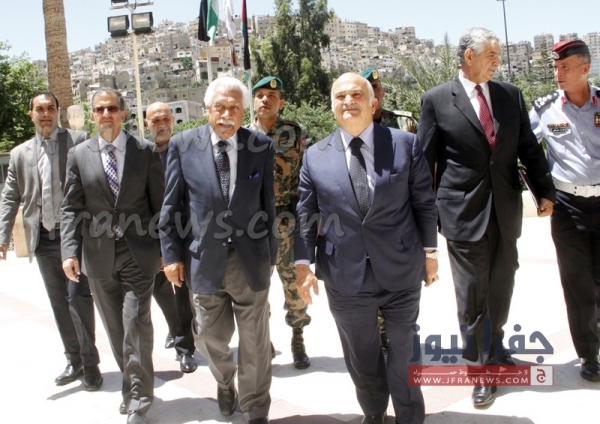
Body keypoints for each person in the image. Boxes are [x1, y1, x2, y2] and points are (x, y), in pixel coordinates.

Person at [417, 28, 556, 407]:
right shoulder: (436, 100)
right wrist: (422, 217)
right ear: (469, 56)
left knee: (501, 284)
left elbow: (529, 146)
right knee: (473, 293)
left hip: (505, 210)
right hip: (462, 213)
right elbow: (424, 162)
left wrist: (545, 191)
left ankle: (495, 344)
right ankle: (481, 370)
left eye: (498, 54)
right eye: (491, 54)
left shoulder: (510, 95)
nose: (497, 60)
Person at [295, 72, 439, 424]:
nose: (348, 101)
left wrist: (430, 254)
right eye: (340, 96)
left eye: (356, 95)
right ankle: (374, 413)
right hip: (344, 274)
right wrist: (303, 265)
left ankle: (410, 416)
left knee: (404, 350)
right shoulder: (314, 156)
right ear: (332, 106)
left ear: (373, 103)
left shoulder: (405, 144)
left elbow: (424, 203)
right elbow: (306, 215)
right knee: (361, 354)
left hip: (400, 268)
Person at [160, 77, 277, 424]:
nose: (227, 115)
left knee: (255, 342)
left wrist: (270, 254)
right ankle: (225, 381)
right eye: (220, 107)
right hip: (203, 260)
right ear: (207, 109)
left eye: (234, 108)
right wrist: (171, 257)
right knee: (209, 337)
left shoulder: (260, 146)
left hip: (249, 260)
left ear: (243, 111)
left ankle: (256, 408)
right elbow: (171, 207)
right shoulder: (182, 145)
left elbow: (268, 206)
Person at [61, 88, 164, 424]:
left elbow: (160, 205)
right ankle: (130, 385)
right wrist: (69, 251)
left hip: (139, 253)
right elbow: (71, 207)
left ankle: (138, 400)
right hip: (98, 255)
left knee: (136, 325)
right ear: (93, 115)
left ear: (123, 113)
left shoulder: (145, 151)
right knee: (116, 329)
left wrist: (167, 250)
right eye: (100, 109)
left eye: (112, 108)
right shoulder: (78, 155)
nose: (106, 114)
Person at [0, 92, 102, 390]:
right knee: (59, 303)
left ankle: (91, 363)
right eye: (40, 109)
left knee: (78, 298)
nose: (45, 114)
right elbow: (10, 197)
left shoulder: (79, 141)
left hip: (74, 236)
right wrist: (2, 236)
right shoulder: (20, 154)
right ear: (31, 114)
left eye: (50, 108)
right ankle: (74, 359)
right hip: (42, 237)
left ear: (59, 112)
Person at [529, 39, 600, 382]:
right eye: (556, 67)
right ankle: (589, 355)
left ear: (585, 68)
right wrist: (540, 192)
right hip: (568, 208)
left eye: (565, 67)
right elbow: (523, 149)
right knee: (578, 285)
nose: (558, 73)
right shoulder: (544, 109)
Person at [248, 76, 311, 369]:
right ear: (253, 101)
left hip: (288, 220)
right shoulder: (242, 136)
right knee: (256, 288)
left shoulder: (294, 132)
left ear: (281, 102)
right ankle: (265, 340)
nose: (265, 99)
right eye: (260, 95)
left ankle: (298, 337)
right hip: (254, 224)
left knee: (293, 284)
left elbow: (306, 175)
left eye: (272, 96)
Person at [144, 101, 198, 374]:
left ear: (173, 121)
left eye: (166, 118)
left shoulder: (187, 150)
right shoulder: (142, 155)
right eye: (155, 120)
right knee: (160, 288)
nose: (161, 124)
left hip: (184, 232)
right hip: (151, 234)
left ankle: (185, 348)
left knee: (182, 290)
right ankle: (176, 329)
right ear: (147, 124)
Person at [360, 68, 418, 133]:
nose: (371, 93)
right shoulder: (352, 127)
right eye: (366, 89)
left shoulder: (405, 123)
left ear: (383, 92)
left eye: (374, 87)